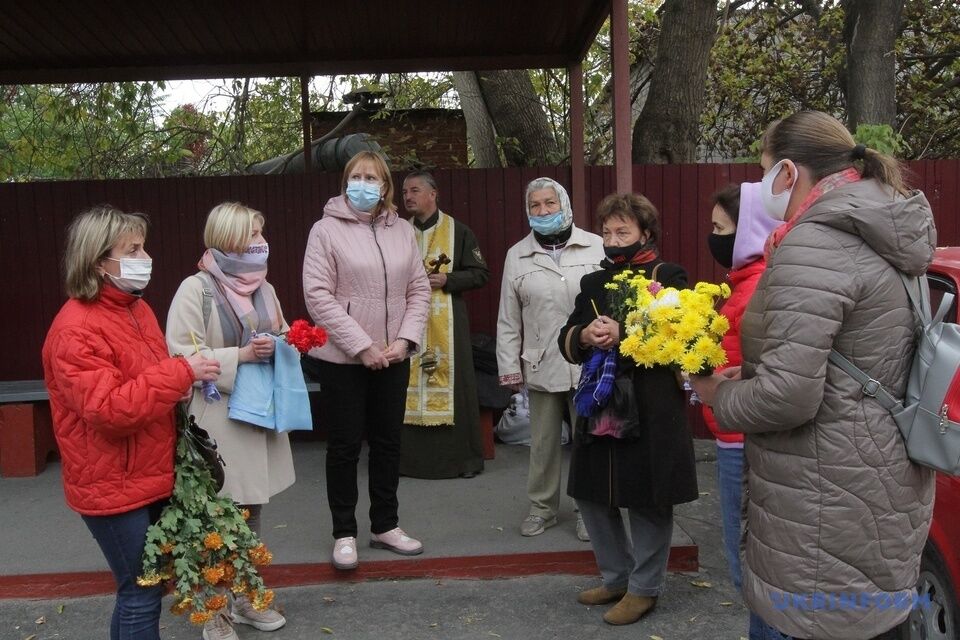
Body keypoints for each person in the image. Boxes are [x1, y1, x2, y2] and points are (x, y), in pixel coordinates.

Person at [690, 111, 936, 640]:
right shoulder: (881, 226)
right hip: (880, 475)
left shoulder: (816, 241)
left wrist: (718, 393)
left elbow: (788, 398)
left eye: (762, 170)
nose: (760, 186)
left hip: (823, 494)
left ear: (787, 171)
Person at [41, 205, 220, 640]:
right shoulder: (75, 330)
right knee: (140, 590)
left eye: (143, 246)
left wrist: (177, 382)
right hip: (111, 483)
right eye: (132, 249)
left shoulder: (134, 310)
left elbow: (144, 381)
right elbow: (109, 411)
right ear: (99, 261)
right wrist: (180, 373)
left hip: (145, 472)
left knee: (143, 588)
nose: (145, 257)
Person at [557, 192, 699, 626]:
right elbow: (568, 339)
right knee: (591, 493)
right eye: (607, 231)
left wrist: (630, 332)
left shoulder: (670, 276)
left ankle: (644, 589)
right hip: (601, 401)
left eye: (623, 231)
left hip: (653, 405)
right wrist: (585, 335)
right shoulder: (593, 284)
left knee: (648, 497)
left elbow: (684, 341)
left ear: (646, 233)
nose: (613, 239)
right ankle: (617, 577)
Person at [166, 202, 293, 640]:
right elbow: (179, 355)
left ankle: (244, 597)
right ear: (227, 239)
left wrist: (284, 342)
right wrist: (239, 355)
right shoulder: (195, 289)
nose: (260, 243)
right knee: (215, 517)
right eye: (251, 235)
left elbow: (277, 331)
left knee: (251, 509)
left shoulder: (265, 287)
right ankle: (213, 607)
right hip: (216, 418)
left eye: (262, 233)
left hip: (256, 414)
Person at [303, 150, 431, 571]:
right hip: (343, 358)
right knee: (343, 447)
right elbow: (318, 295)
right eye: (355, 176)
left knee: (388, 442)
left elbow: (419, 291)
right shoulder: (325, 230)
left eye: (371, 177)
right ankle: (344, 532)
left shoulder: (402, 231)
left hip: (394, 357)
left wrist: (406, 340)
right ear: (345, 183)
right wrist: (362, 345)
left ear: (385, 186)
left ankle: (385, 524)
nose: (363, 183)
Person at [496, 177, 605, 539]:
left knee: (588, 440)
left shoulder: (595, 246)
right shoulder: (518, 254)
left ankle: (587, 510)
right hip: (541, 361)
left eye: (550, 204)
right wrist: (509, 368)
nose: (543, 211)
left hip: (590, 362)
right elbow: (508, 319)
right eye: (535, 206)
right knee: (543, 443)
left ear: (565, 205)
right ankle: (542, 508)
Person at [702, 182, 780, 591]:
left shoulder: (756, 288)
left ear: (748, 230)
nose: (713, 239)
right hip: (733, 431)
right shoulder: (742, 282)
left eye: (720, 229)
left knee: (747, 562)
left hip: (742, 438)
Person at [400, 170, 490, 479]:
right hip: (405, 323)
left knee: (454, 383)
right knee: (403, 384)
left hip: (447, 324)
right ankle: (406, 462)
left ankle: (459, 461)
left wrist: (447, 279)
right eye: (404, 192)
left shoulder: (458, 231)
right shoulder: (397, 232)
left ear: (433, 194)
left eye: (414, 190)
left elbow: (480, 273)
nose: (408, 197)